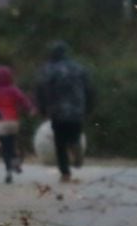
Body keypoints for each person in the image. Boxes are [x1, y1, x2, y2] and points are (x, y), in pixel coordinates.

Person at [36, 41, 94, 182]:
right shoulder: (79, 68)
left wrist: (43, 109)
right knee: (74, 134)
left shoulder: (49, 70)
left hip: (57, 111)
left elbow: (42, 90)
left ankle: (65, 172)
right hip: (77, 109)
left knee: (60, 142)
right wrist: (89, 107)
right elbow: (90, 89)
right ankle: (76, 147)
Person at [0, 65, 35, 184]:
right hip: (13, 121)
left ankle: (8, 170)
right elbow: (23, 100)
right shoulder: (13, 89)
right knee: (12, 145)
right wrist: (30, 109)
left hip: (0, 122)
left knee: (5, 148)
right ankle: (16, 163)